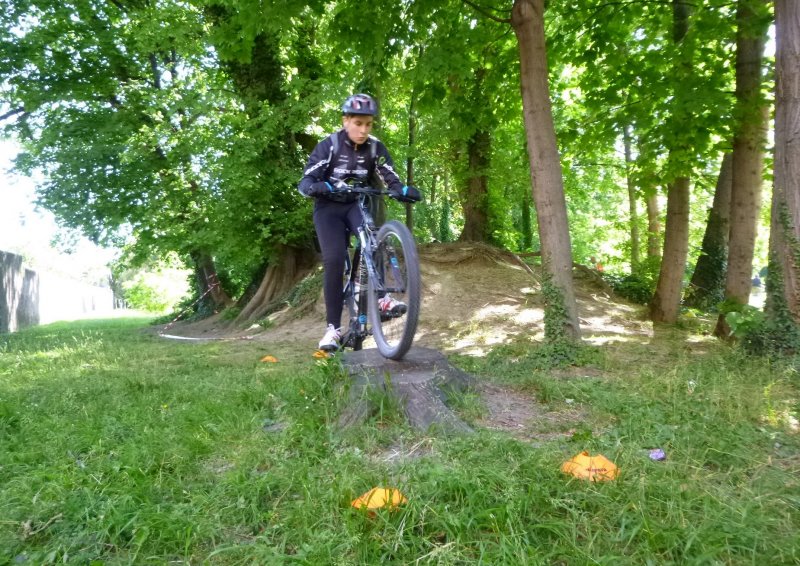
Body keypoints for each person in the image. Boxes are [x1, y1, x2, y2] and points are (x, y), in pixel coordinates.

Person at [298, 93, 421, 350]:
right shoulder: (329, 145)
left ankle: (380, 297)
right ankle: (332, 329)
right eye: (358, 123)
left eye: (368, 124)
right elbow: (305, 181)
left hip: (355, 203)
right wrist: (318, 186)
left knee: (372, 237)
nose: (363, 130)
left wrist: (399, 189)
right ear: (346, 121)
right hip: (328, 209)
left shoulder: (375, 147)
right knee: (333, 259)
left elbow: (388, 173)